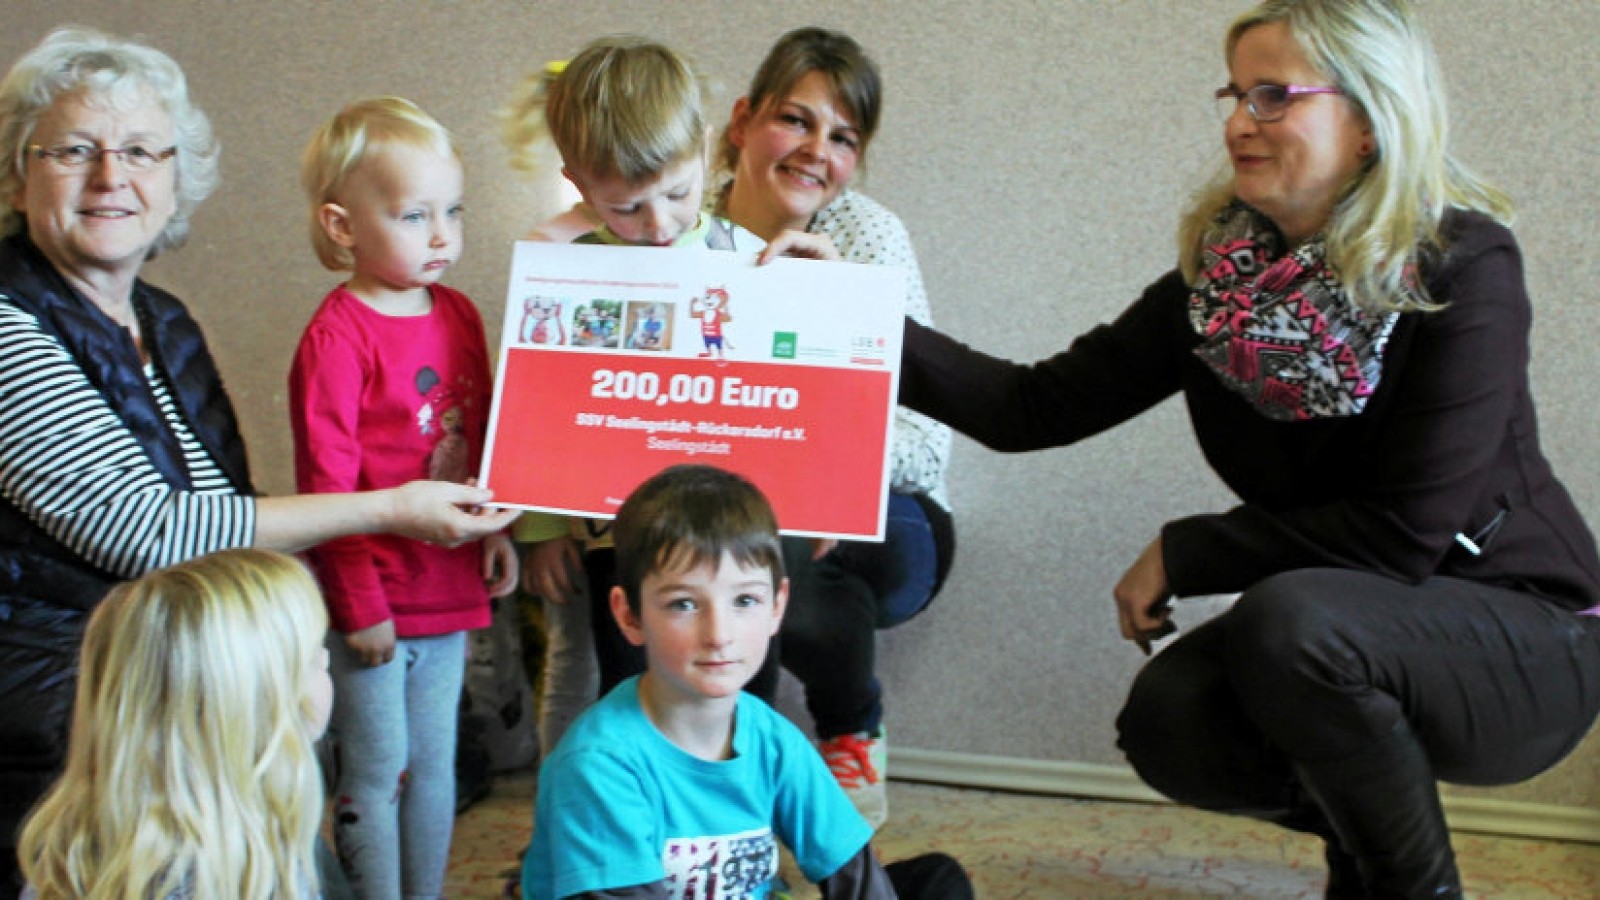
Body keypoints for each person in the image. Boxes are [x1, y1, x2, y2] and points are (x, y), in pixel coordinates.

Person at [897, 1, 1600, 897]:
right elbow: (1030, 407)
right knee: (1172, 719)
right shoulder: (1221, 289)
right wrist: (857, 318)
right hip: (1344, 630)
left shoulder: (1461, 266)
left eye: (1274, 96)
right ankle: (1368, 854)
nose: (1238, 121)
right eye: (1235, 93)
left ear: (1371, 123)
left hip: (1524, 636)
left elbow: (1404, 535)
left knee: (1293, 621)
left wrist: (1189, 550)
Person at [0, 28, 518, 897]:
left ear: (175, 178)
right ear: (18, 178)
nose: (110, 177)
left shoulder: (162, 319)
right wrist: (388, 513)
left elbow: (224, 508)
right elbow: (152, 532)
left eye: (140, 151)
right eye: (73, 152)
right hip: (73, 681)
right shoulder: (8, 325)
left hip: (168, 660)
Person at [498, 35, 832, 760]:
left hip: (735, 539)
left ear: (708, 150)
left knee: (748, 693)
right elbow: (541, 408)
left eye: (678, 195)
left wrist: (827, 289)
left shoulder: (748, 257)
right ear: (578, 185)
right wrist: (539, 528)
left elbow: (801, 393)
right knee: (633, 696)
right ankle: (641, 848)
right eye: (625, 208)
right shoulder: (564, 269)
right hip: (616, 538)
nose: (657, 227)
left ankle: (733, 836)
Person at [709, 26, 957, 828]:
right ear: (743, 121)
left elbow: (925, 440)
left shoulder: (866, 236)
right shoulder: (685, 234)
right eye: (796, 120)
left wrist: (842, 319)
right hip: (740, 514)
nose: (817, 151)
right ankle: (723, 779)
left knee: (767, 546)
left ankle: (847, 730)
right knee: (730, 546)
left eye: (844, 137)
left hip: (894, 516)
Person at [522, 464, 972, 900]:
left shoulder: (771, 738)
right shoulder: (599, 763)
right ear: (629, 615)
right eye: (683, 604)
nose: (719, 634)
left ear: (777, 607)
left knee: (936, 882)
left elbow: (854, 874)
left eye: (744, 600)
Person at [293, 96, 517, 899]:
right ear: (343, 225)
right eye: (414, 215)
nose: (442, 236)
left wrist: (495, 532)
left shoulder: (459, 314)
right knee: (378, 769)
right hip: (376, 599)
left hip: (449, 587)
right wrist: (358, 605)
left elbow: (483, 436)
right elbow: (328, 487)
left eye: (452, 212)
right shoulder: (337, 336)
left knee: (436, 767)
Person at [17, 549, 332, 899]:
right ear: (253, 705)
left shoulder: (85, 845)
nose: (326, 661)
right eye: (316, 656)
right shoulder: (192, 879)